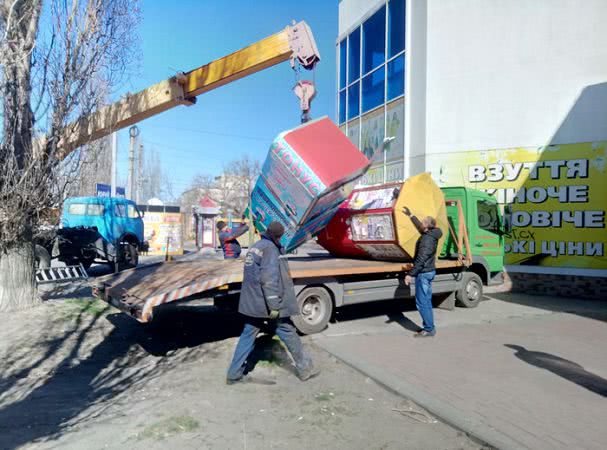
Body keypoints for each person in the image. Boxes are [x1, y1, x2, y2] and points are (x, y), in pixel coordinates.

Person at [226, 221, 319, 384]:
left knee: (247, 335)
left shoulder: (257, 246)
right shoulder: (270, 249)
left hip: (252, 303)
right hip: (266, 305)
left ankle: (234, 373)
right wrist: (274, 306)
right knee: (288, 332)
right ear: (279, 236)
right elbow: (268, 280)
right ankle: (305, 368)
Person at [402, 207, 443, 337]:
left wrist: (410, 274)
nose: (421, 223)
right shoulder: (430, 234)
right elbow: (419, 225)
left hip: (424, 273)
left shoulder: (427, 239)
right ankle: (430, 327)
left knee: (422, 302)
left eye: (423, 222)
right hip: (428, 271)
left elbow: (421, 259)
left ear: (427, 227)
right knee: (426, 301)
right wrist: (411, 215)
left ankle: (429, 329)